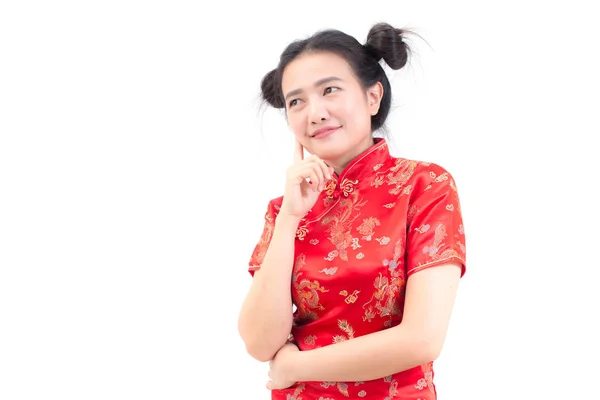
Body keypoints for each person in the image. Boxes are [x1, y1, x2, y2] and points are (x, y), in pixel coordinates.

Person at [238, 22, 467, 400]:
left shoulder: (424, 185)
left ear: (372, 96)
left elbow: (422, 339)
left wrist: (295, 367)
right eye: (296, 101)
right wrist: (290, 218)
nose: (314, 113)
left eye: (330, 90)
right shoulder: (284, 209)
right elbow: (259, 342)